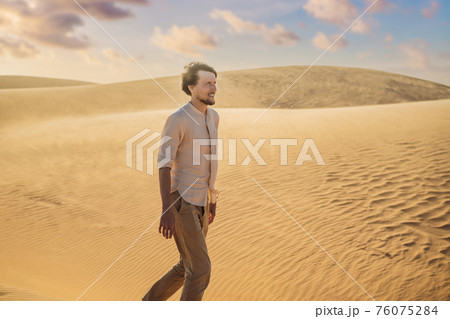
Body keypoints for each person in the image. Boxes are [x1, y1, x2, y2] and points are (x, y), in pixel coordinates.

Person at [142, 62, 220, 301]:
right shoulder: (178, 119)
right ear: (191, 88)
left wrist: (212, 198)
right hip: (182, 202)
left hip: (202, 202)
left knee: (187, 265)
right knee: (200, 269)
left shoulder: (214, 117)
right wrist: (166, 208)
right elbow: (164, 164)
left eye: (215, 83)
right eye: (207, 83)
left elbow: (211, 160)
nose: (213, 88)